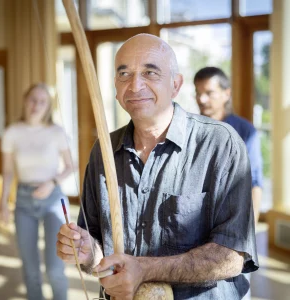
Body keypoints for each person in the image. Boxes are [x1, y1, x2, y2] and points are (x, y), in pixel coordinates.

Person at [57, 34, 258, 300]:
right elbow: (99, 251)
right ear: (116, 86)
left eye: (150, 72)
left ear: (175, 85)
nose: (135, 84)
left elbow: (232, 255)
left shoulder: (221, 143)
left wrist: (144, 269)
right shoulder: (104, 151)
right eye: (124, 74)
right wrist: (86, 251)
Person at [0, 83, 75, 300]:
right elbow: (7, 172)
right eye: (33, 99)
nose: (36, 105)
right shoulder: (12, 132)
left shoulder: (56, 132)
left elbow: (71, 166)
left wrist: (52, 182)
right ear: (25, 100)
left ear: (48, 106)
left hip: (53, 199)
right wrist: (4, 203)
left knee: (54, 268)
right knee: (30, 270)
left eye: (42, 101)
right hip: (23, 201)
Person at [193, 67, 263, 225]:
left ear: (226, 94)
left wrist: (250, 227)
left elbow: (254, 182)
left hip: (232, 220)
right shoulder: (190, 130)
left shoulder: (245, 131)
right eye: (198, 92)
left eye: (209, 93)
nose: (201, 99)